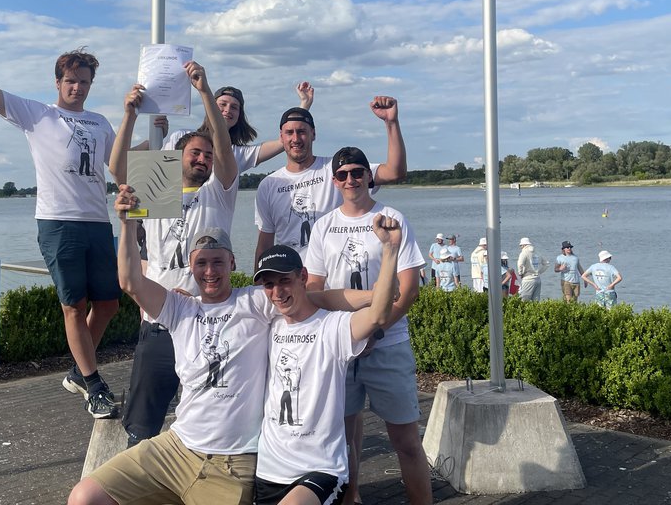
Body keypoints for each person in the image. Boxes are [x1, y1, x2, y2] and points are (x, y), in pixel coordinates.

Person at [69, 188, 372, 505]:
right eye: (201, 263)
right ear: (191, 266)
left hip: (232, 464)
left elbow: (316, 298)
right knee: (84, 497)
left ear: (232, 263)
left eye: (218, 262)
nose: (210, 271)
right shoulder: (179, 307)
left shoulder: (256, 302)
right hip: (176, 448)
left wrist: (373, 298)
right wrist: (127, 223)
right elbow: (131, 281)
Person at [0, 10, 125, 418]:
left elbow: (120, 166)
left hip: (98, 222)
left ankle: (77, 372)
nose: (78, 87)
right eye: (71, 81)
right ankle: (94, 384)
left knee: (108, 304)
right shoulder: (37, 114)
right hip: (58, 222)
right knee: (73, 305)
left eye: (84, 82)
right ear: (58, 82)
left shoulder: (100, 122)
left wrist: (155, 132)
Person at [110, 61, 241, 445]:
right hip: (160, 319)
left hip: (208, 318)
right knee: (143, 418)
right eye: (194, 153)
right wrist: (130, 115)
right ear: (177, 156)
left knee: (206, 415)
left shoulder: (219, 191)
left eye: (207, 155)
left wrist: (204, 91)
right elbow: (117, 168)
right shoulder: (158, 186)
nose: (202, 159)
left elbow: (223, 146)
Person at [306, 146, 432, 505]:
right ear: (334, 181)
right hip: (340, 346)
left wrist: (376, 329)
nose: (351, 180)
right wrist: (356, 323)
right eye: (343, 174)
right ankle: (351, 496)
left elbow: (407, 291)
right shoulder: (324, 226)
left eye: (358, 172)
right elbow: (314, 290)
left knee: (406, 441)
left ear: (368, 177)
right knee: (343, 438)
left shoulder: (392, 217)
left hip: (388, 344)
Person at [252, 216, 401, 505]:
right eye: (269, 285)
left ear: (303, 277)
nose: (277, 292)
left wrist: (390, 250)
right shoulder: (268, 321)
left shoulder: (333, 327)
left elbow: (378, 315)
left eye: (285, 281)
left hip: (319, 469)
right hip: (270, 469)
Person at [254, 97, 406, 265]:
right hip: (293, 279)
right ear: (281, 138)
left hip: (334, 277)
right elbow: (265, 244)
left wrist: (391, 123)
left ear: (313, 134)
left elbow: (394, 172)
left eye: (302, 131)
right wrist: (260, 287)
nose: (296, 139)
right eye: (289, 133)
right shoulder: (268, 185)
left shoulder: (337, 169)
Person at [161, 83, 314, 172]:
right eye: (222, 105)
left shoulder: (238, 154)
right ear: (210, 107)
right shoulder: (180, 137)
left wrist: (304, 105)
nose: (228, 110)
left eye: (234, 107)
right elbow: (160, 170)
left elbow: (285, 141)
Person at [517, 237, 549, 302]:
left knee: (524, 301)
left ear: (523, 245)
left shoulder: (524, 253)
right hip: (537, 279)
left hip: (528, 279)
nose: (521, 247)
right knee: (536, 301)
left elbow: (520, 264)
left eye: (521, 246)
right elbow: (547, 264)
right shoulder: (537, 252)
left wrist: (521, 273)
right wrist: (539, 272)